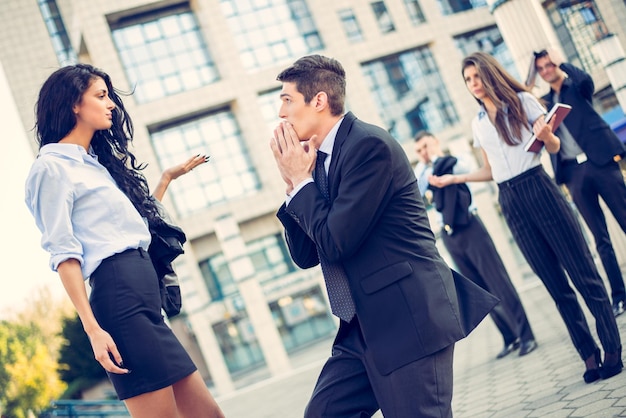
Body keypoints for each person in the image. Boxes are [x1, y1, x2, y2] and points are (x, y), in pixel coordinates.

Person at [269, 54, 498, 417]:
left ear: (318, 101)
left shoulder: (367, 147)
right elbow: (307, 255)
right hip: (361, 329)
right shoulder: (319, 161)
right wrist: (293, 186)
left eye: (286, 100)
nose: (280, 113)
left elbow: (335, 242)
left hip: (408, 319)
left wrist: (301, 183)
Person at [24, 64, 224, 418]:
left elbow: (132, 228)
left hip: (144, 301)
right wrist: (93, 330)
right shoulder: (51, 168)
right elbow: (64, 254)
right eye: (101, 96)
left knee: (208, 414)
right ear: (74, 104)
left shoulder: (94, 164)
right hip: (121, 303)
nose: (111, 104)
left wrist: (164, 180)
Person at [430, 51, 622, 384]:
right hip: (511, 200)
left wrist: (547, 136)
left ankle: (612, 351)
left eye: (476, 77)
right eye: (467, 80)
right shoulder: (478, 123)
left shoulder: (523, 101)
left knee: (583, 274)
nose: (473, 84)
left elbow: (552, 145)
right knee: (554, 284)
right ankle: (588, 355)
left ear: (489, 74)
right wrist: (454, 179)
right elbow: (491, 170)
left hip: (538, 187)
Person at [414, 131, 537, 359]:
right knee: (478, 290)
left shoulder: (456, 161)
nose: (424, 152)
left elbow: (469, 168)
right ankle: (509, 336)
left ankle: (526, 334)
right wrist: (428, 165)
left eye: (426, 146)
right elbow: (418, 190)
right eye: (419, 150)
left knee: (499, 282)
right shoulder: (423, 173)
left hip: (471, 228)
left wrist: (438, 159)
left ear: (436, 141)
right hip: (450, 235)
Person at [532, 48, 626, 317]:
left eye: (549, 65)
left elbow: (587, 80)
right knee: (600, 239)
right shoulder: (544, 103)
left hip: (601, 164)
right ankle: (619, 297)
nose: (547, 70)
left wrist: (561, 61)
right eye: (541, 68)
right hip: (574, 174)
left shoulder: (577, 87)